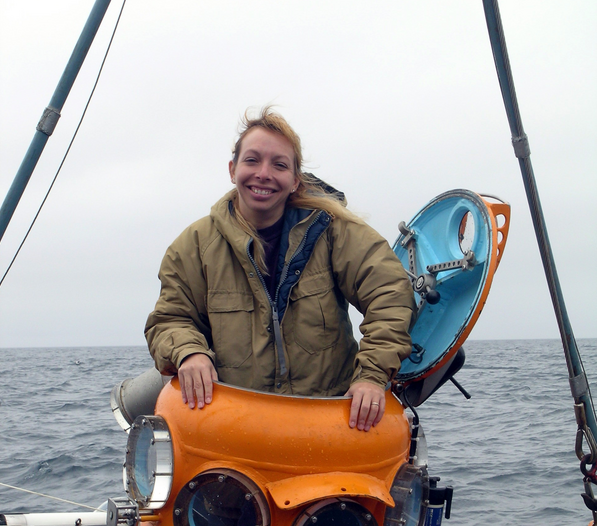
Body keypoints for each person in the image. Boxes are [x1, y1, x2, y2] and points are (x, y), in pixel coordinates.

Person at [145, 108, 415, 432]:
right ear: (232, 170)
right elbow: (170, 319)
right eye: (252, 160)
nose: (263, 174)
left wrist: (371, 376)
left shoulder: (334, 231)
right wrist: (189, 353)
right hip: (236, 429)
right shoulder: (192, 247)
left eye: (279, 165)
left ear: (295, 180)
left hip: (333, 424)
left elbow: (390, 293)